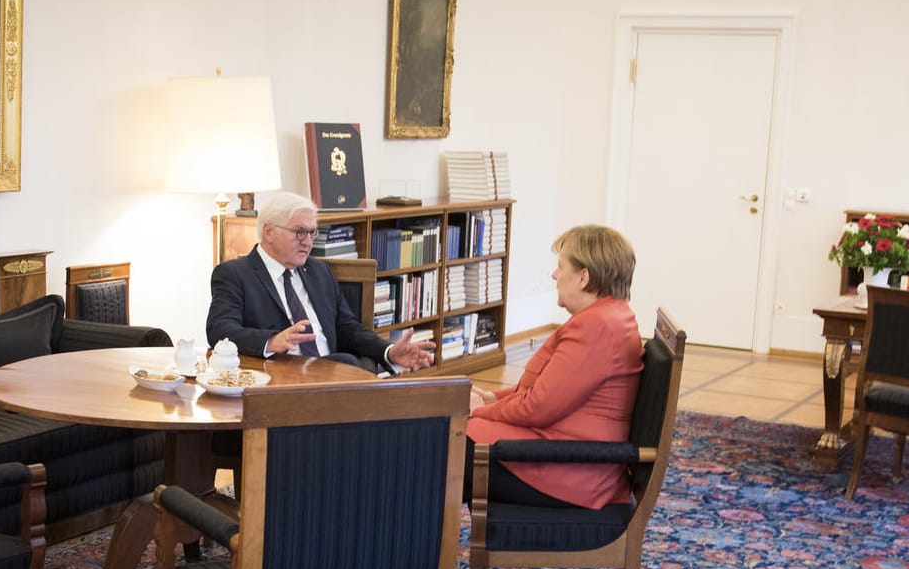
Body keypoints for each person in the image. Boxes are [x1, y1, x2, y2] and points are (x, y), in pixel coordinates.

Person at [466, 225, 643, 509]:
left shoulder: (597, 327)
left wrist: (480, 412)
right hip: (566, 456)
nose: (554, 275)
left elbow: (537, 407)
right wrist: (494, 398)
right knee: (444, 441)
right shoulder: (610, 316)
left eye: (561, 267)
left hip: (569, 471)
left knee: (441, 448)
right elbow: (550, 389)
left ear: (583, 277)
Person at [206, 192, 435, 372]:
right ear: (269, 232)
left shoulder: (318, 270)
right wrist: (271, 341)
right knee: (351, 368)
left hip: (330, 372)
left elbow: (348, 329)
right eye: (299, 232)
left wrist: (389, 351)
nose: (308, 242)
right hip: (278, 378)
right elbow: (220, 331)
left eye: (311, 233)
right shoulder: (234, 274)